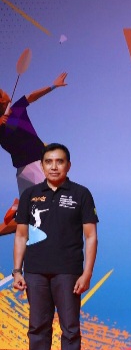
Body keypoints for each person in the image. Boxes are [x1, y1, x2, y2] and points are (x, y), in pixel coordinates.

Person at [12, 143, 98, 350]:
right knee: (38, 326)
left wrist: (87, 273)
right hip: (35, 272)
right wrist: (17, 271)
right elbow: (21, 235)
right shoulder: (30, 195)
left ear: (68, 165)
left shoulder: (81, 194)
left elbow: (91, 236)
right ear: (41, 165)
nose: (54, 166)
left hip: (68, 272)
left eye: (59, 161)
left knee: (70, 328)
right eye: (48, 161)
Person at [0, 73, 68, 235]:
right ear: (2, 101)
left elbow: (31, 97)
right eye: (3, 93)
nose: (6, 92)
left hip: (22, 171)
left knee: (29, 217)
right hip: (35, 166)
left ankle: (18, 208)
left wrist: (53, 86)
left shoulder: (15, 111)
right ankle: (17, 207)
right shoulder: (13, 113)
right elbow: (31, 96)